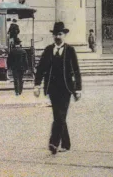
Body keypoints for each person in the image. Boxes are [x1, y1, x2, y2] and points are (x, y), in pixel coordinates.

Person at [34, 21, 82, 155]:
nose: (58, 37)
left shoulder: (70, 50)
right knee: (58, 116)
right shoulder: (48, 50)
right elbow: (41, 68)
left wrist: (78, 89)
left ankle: (54, 143)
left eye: (60, 34)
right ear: (53, 36)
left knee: (60, 116)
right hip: (52, 89)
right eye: (55, 34)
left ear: (64, 35)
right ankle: (66, 144)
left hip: (66, 89)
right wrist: (37, 85)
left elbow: (76, 70)